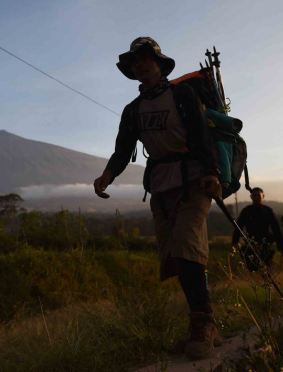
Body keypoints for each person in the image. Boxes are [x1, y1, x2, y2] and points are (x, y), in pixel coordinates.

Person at [93, 37, 222, 360]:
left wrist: (211, 171)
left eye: (145, 57)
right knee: (177, 257)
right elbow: (123, 149)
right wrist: (107, 176)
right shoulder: (133, 110)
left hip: (193, 178)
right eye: (134, 61)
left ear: (159, 63)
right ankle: (204, 320)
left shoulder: (182, 94)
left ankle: (202, 323)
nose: (139, 64)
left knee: (186, 245)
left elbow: (199, 133)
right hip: (161, 185)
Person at [231, 188, 283, 271]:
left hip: (266, 244)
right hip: (250, 244)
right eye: (254, 195)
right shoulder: (246, 211)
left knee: (266, 268)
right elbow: (238, 229)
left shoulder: (268, 211)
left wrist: (281, 248)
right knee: (252, 268)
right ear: (251, 197)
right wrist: (234, 243)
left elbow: (276, 230)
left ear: (263, 196)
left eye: (258, 195)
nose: (256, 197)